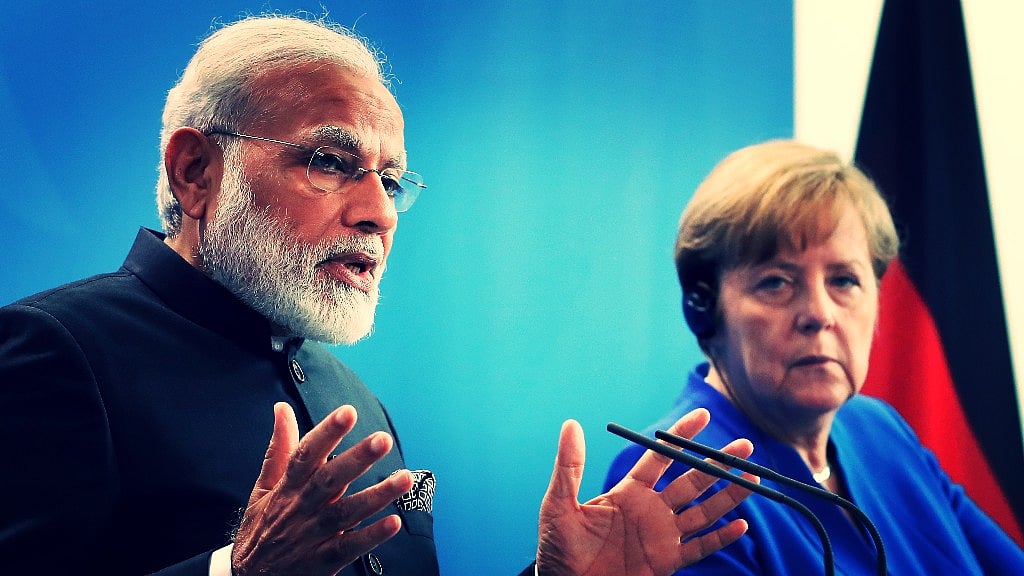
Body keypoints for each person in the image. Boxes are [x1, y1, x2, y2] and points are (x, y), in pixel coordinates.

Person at [0, 15, 756, 576]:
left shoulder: (357, 403)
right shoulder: (52, 352)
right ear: (196, 172)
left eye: (390, 180)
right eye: (330, 161)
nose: (379, 212)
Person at [604, 139, 1024, 574]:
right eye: (776, 282)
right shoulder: (672, 478)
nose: (821, 315)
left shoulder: (881, 430)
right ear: (704, 310)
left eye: (844, 280)